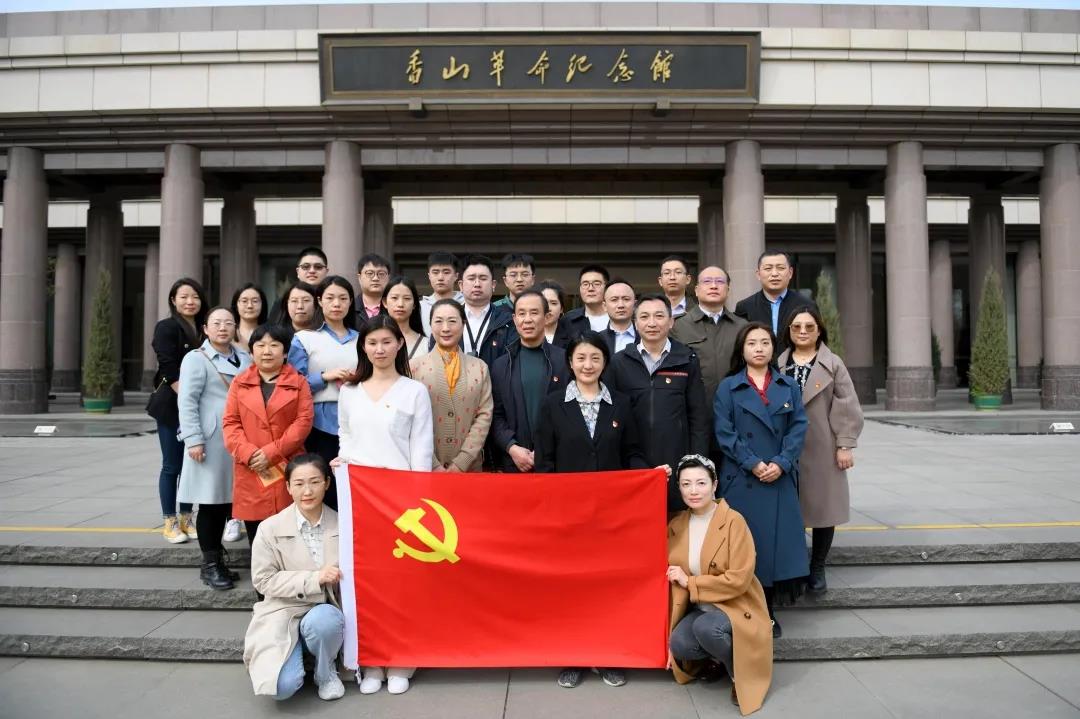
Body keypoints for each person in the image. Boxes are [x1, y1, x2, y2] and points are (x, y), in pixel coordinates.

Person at [533, 332, 648, 690]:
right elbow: (545, 463)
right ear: (570, 362)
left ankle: (607, 655)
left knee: (608, 587)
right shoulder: (553, 404)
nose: (588, 365)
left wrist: (645, 479)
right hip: (567, 517)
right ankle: (573, 656)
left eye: (595, 358)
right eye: (581, 358)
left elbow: (633, 453)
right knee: (571, 588)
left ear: (604, 362)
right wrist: (552, 512)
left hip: (611, 517)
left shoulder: (621, 404)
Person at [336, 314, 434, 695]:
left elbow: (421, 449)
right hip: (362, 501)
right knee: (367, 581)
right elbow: (345, 435)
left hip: (401, 502)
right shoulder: (350, 392)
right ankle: (372, 658)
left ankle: (403, 656)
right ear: (363, 347)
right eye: (372, 343)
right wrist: (343, 461)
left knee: (403, 583)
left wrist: (417, 500)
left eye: (386, 342)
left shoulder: (414, 391)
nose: (379, 349)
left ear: (399, 345)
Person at [714, 322, 809, 638]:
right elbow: (724, 432)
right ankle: (742, 612)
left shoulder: (788, 385)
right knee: (745, 548)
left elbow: (798, 428)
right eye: (752, 343)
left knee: (774, 551)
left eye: (765, 343)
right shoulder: (728, 387)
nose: (759, 348)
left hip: (779, 477)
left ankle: (768, 613)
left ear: (773, 348)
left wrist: (781, 462)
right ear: (742, 349)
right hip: (742, 477)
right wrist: (753, 463)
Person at [666, 454, 772, 715]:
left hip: (736, 604)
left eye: (701, 483)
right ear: (679, 487)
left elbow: (739, 579)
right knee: (679, 643)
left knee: (706, 628)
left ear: (714, 485)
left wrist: (690, 581)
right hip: (701, 606)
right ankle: (717, 659)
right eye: (686, 484)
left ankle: (739, 674)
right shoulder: (677, 524)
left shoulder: (734, 521)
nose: (693, 490)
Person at [243, 453, 345, 702]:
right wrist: (314, 578)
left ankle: (325, 672)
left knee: (325, 620)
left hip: (324, 609)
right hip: (282, 610)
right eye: (299, 484)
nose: (307, 491)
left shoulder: (343, 524)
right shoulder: (269, 528)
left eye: (315, 482)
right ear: (288, 487)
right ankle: (299, 654)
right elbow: (263, 580)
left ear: (327, 483)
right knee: (281, 689)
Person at [777, 307, 864, 594]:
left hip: (822, 446)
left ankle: (817, 566)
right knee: (791, 509)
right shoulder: (779, 363)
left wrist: (844, 444)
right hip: (785, 447)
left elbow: (847, 405)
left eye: (809, 326)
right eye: (796, 326)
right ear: (788, 331)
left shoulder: (833, 363)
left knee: (824, 508)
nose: (802, 331)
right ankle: (796, 566)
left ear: (819, 331)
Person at [606, 293, 709, 513]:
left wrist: (696, 463)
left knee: (677, 524)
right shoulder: (619, 363)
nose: (652, 323)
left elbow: (698, 417)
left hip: (677, 460)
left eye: (659, 316)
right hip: (633, 463)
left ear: (671, 321)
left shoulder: (687, 359)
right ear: (635, 323)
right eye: (644, 317)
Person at [177, 306, 252, 589]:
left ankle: (219, 560)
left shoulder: (245, 357)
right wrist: (193, 438)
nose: (223, 328)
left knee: (230, 501)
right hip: (211, 440)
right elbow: (187, 401)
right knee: (211, 502)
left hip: (240, 439)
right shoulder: (196, 359)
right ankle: (210, 565)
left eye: (228, 323)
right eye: (216, 323)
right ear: (206, 329)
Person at [223, 323, 314, 548]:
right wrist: (250, 454)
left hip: (287, 464)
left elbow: (303, 423)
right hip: (252, 467)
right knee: (257, 537)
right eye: (260, 345)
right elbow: (231, 424)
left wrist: (271, 453)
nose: (267, 351)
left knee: (290, 533)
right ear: (251, 351)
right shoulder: (239, 383)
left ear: (285, 352)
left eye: (274, 345)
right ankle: (262, 571)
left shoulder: (299, 383)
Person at [288, 276, 359, 510]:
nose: (336, 303)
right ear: (319, 301)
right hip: (317, 421)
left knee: (352, 482)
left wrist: (357, 378)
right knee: (321, 480)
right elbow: (292, 384)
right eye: (330, 298)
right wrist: (324, 376)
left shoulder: (362, 339)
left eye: (343, 298)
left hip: (356, 418)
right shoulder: (304, 338)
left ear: (350, 302)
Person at [151, 277, 208, 543]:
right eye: (184, 297)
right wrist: (188, 400)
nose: (190, 301)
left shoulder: (205, 327)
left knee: (191, 465)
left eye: (195, 296)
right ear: (173, 300)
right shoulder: (167, 327)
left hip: (199, 406)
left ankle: (187, 516)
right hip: (172, 406)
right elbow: (168, 367)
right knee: (171, 465)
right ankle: (169, 521)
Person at [490, 290, 570, 473]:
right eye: (521, 313)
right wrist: (511, 447)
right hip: (515, 463)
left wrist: (546, 451)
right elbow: (495, 416)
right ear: (514, 318)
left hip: (557, 463)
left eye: (534, 313)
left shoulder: (564, 361)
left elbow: (572, 414)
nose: (527, 320)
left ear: (546, 317)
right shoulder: (501, 366)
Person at [410, 299, 494, 472]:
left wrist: (462, 462)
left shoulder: (479, 368)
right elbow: (410, 419)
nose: (445, 328)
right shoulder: (413, 367)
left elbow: (484, 416)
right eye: (438, 321)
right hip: (425, 467)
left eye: (452, 321)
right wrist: (432, 463)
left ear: (463, 324)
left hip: (469, 468)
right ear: (430, 325)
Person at [672, 266, 747, 407]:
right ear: (696, 290)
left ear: (728, 290)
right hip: (694, 407)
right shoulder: (679, 327)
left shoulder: (742, 326)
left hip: (736, 406)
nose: (713, 286)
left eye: (720, 281)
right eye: (707, 281)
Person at [734, 251, 815, 351]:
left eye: (780, 268)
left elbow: (817, 343)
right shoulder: (745, 307)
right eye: (768, 269)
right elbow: (740, 346)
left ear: (790, 273)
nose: (774, 274)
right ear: (758, 274)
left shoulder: (806, 305)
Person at [459, 254, 514, 366]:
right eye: (471, 278)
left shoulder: (508, 321)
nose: (477, 284)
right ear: (461, 285)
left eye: (483, 278)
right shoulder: (448, 319)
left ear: (493, 285)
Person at [381, 275, 430, 360]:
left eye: (407, 298)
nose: (400, 304)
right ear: (385, 302)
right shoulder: (372, 339)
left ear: (414, 304)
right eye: (394, 298)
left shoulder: (426, 344)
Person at [419, 251, 463, 336]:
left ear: (456, 276)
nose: (440, 277)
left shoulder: (466, 304)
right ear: (429, 276)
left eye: (446, 272)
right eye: (435, 272)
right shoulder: (420, 307)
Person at [563, 265, 610, 335]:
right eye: (585, 284)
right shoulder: (568, 320)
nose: (590, 289)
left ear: (606, 288)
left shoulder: (617, 317)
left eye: (596, 284)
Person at [599, 278, 637, 355]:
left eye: (626, 299)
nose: (621, 305)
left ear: (635, 305)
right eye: (614, 300)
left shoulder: (647, 337)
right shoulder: (597, 340)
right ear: (604, 306)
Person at [231, 283, 269, 354]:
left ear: (262, 304)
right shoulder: (229, 333)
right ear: (236, 305)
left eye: (255, 301)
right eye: (244, 301)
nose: (250, 306)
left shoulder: (271, 334)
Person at [537, 280, 572, 350]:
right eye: (544, 302)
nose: (548, 308)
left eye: (553, 303)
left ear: (561, 309)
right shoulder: (524, 336)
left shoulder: (572, 338)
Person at [357, 253, 392, 321]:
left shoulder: (395, 308)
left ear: (388, 278)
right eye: (370, 273)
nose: (375, 278)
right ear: (359, 277)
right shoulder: (349, 307)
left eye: (381, 274)